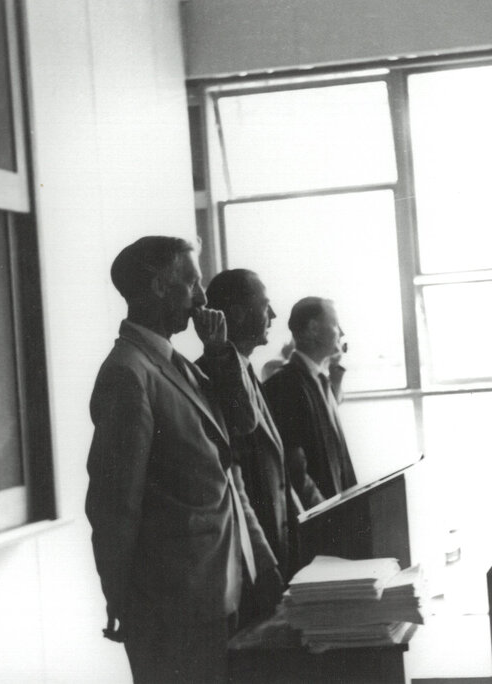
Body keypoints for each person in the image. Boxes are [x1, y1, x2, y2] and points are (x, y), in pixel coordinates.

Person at [85, 237, 280, 684]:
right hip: (172, 609)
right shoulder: (127, 373)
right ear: (158, 286)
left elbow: (242, 429)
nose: (202, 298)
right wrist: (119, 599)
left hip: (218, 590)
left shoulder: (179, 365)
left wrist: (219, 351)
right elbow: (114, 504)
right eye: (192, 282)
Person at [197, 269, 324, 580]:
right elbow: (233, 480)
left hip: (277, 547)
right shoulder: (213, 377)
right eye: (265, 305)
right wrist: (264, 561)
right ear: (238, 314)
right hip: (251, 564)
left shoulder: (246, 370)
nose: (273, 314)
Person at [263, 296, 357, 499]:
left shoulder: (318, 379)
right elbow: (294, 468)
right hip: (320, 516)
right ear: (313, 329)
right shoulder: (285, 385)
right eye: (335, 324)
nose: (341, 333)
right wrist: (325, 511)